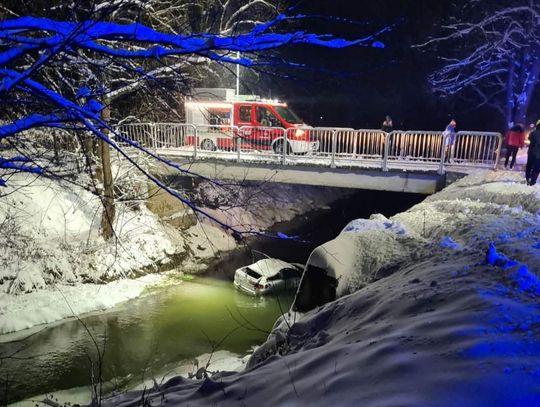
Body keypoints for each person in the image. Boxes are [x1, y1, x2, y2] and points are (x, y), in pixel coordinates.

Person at [526, 120, 540, 185]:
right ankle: (532, 181)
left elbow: (529, 138)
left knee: (529, 165)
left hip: (531, 152)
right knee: (536, 168)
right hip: (538, 154)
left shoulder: (533, 132)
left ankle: (527, 178)